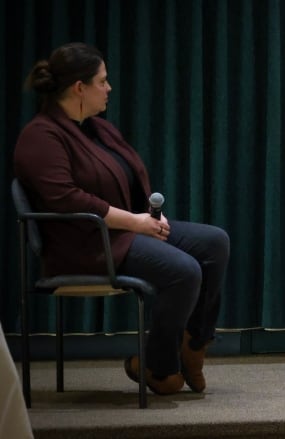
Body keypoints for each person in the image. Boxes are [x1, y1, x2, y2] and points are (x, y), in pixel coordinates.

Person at [14, 42, 230, 395]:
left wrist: (144, 218)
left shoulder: (97, 128)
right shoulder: (40, 136)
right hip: (84, 245)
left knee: (214, 242)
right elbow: (67, 199)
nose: (109, 88)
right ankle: (158, 366)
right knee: (185, 270)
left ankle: (193, 345)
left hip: (122, 231)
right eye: (102, 81)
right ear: (79, 88)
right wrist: (135, 222)